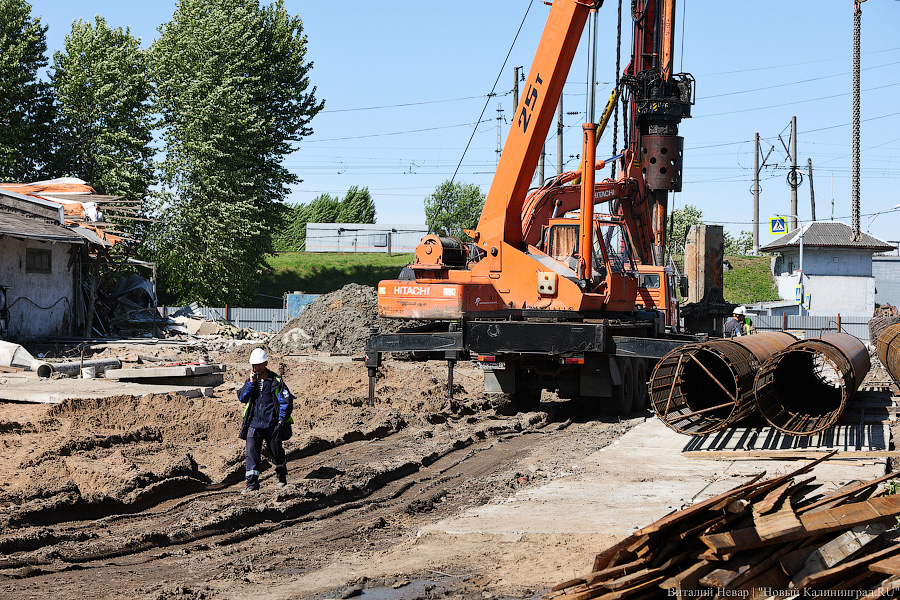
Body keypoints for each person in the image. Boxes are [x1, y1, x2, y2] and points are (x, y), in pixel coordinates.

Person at [237, 348, 294, 493]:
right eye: (254, 365)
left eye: (259, 365)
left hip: (271, 424)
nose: (257, 368)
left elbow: (286, 402)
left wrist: (281, 421)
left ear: (266, 363)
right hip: (253, 424)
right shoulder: (251, 381)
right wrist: (251, 383)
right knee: (251, 454)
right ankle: (251, 485)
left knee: (276, 452)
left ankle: (281, 476)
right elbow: (242, 398)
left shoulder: (275, 381)